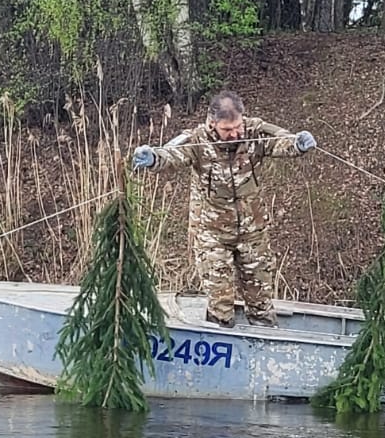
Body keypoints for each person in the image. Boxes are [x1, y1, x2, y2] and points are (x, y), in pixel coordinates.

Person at [133, 91, 316, 327]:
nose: (235, 133)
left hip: (252, 232)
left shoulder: (254, 132)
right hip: (212, 235)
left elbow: (282, 141)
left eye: (237, 126)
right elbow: (171, 154)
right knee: (221, 304)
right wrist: (152, 158)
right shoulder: (197, 140)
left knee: (260, 299)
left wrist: (299, 144)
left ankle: (265, 346)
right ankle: (222, 344)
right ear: (212, 123)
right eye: (227, 130)